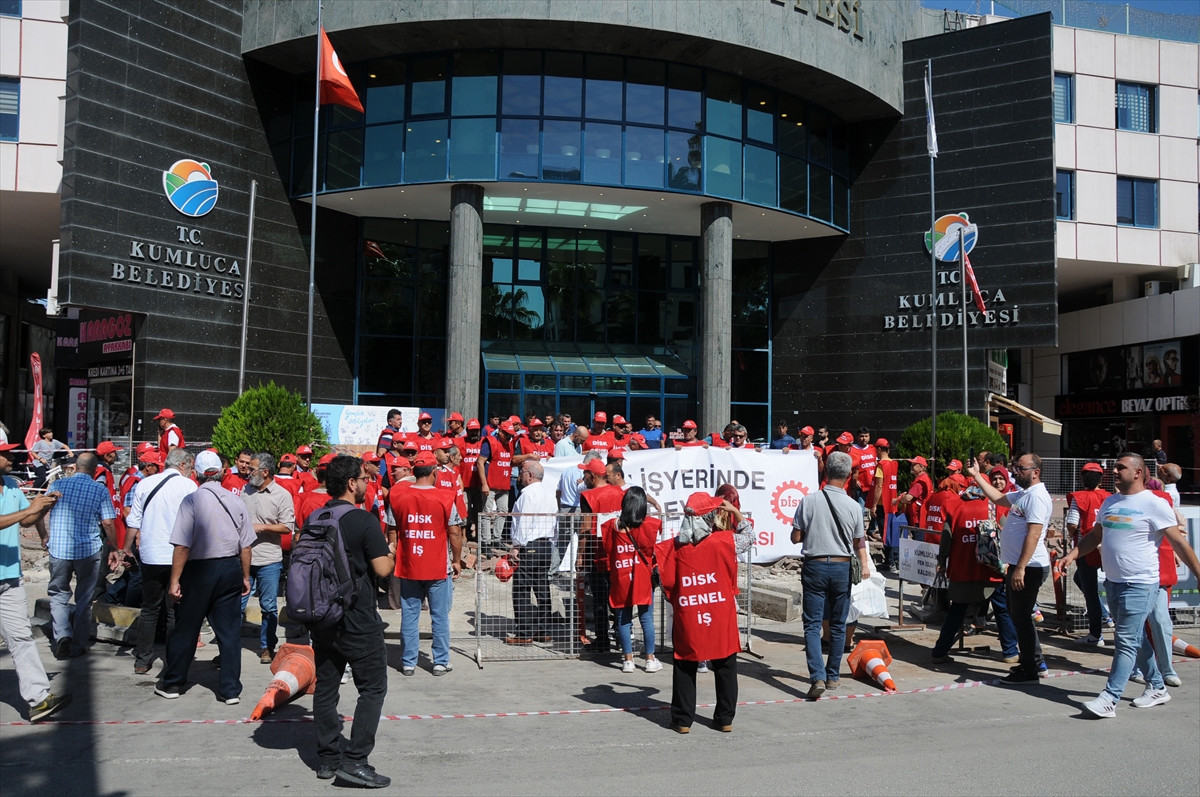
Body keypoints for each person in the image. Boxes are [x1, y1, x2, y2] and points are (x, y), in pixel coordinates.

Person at [1058, 454, 1200, 717]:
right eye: (1114, 467)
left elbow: (1179, 543)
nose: (1114, 471)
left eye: (1120, 467)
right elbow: (1095, 536)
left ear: (1138, 472)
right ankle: (1157, 686)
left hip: (1141, 584)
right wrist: (1072, 555)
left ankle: (1109, 698)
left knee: (1124, 640)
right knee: (1136, 638)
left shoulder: (1154, 504)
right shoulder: (1111, 502)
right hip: (1113, 583)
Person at [309, 455, 395, 788]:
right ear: (351, 483)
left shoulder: (317, 516)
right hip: (358, 618)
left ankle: (328, 760)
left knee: (327, 688)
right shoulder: (362, 520)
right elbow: (384, 570)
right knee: (373, 688)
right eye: (364, 478)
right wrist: (392, 549)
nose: (367, 482)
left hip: (323, 618)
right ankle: (356, 760)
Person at [157, 450, 255, 704]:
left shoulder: (191, 501)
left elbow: (182, 546)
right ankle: (230, 689)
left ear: (195, 474)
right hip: (229, 568)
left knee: (186, 629)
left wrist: (175, 580)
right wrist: (245, 576)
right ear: (222, 473)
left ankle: (173, 683)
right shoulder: (236, 501)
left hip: (199, 571)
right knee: (230, 632)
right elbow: (246, 547)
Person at [657, 491, 752, 733]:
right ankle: (724, 719)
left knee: (685, 664)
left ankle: (682, 720)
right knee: (726, 664)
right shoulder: (725, 541)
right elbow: (749, 537)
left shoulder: (671, 548)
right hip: (720, 613)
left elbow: (664, 581)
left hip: (690, 614)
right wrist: (735, 512)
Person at [790, 451, 873, 698]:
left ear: (826, 471)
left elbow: (795, 537)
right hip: (841, 567)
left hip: (814, 565)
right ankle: (833, 676)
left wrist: (812, 533)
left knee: (812, 624)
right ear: (848, 476)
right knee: (839, 624)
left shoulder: (809, 501)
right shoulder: (853, 506)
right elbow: (859, 541)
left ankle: (817, 676)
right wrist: (865, 565)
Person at [0, 441, 72, 721]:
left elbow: (26, 522)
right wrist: (30, 509)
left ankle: (39, 700)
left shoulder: (11, 484)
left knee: (21, 637)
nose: (11, 456)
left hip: (10, 578)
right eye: (5, 452)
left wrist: (42, 508)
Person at [967, 453, 1052, 685]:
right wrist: (977, 476)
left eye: (1020, 468)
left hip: (1029, 566)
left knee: (1021, 618)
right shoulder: (1024, 494)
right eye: (1015, 467)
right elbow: (998, 499)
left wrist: (1020, 568)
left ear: (1035, 472)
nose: (1015, 471)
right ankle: (1035, 663)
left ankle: (1030, 668)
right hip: (1020, 565)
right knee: (1020, 617)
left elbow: (1034, 535)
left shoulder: (1037, 497)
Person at [121, 448, 198, 675]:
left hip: (151, 555)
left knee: (149, 609)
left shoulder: (145, 483)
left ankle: (142, 660)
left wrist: (126, 548)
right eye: (191, 467)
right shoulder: (189, 486)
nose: (192, 471)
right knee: (174, 610)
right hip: (178, 557)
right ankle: (172, 659)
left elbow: (133, 520)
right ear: (183, 465)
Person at [930, 481, 1018, 664]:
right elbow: (1007, 534)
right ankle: (1010, 652)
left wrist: (942, 561)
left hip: (963, 567)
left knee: (957, 611)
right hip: (992, 568)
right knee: (1002, 610)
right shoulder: (995, 506)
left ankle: (940, 652)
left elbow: (946, 538)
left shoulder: (955, 506)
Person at [393, 451, 464, 676]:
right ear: (434, 472)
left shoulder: (399, 496)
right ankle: (440, 661)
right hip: (437, 567)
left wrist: (395, 550)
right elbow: (454, 532)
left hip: (409, 565)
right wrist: (456, 560)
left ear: (413, 472)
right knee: (440, 615)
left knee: (410, 615)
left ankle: (408, 662)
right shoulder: (445, 497)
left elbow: (391, 530)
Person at [44, 451, 118, 659]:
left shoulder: (58, 485)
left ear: (75, 467)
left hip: (59, 549)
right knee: (85, 599)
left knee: (58, 594)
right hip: (88, 551)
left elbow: (39, 510)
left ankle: (63, 636)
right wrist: (114, 546)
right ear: (95, 471)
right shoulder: (99, 489)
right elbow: (107, 522)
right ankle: (77, 646)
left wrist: (44, 534)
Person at [239, 453, 295, 664]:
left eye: (252, 469)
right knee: (236, 605)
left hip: (269, 560)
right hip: (244, 558)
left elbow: (287, 526)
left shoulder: (281, 495)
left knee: (269, 606)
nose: (248, 471)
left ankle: (267, 647)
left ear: (265, 472)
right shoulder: (246, 491)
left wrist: (261, 527)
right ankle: (230, 647)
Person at [601, 487, 661, 673]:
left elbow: (608, 549)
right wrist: (654, 503)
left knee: (623, 619)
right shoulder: (648, 525)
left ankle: (628, 660)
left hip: (621, 575)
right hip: (642, 575)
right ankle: (650, 659)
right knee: (646, 618)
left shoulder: (613, 525)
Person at [506, 461, 559, 645]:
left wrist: (516, 546)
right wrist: (551, 545)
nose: (519, 476)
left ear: (529, 475)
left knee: (521, 590)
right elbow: (554, 523)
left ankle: (524, 632)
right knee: (542, 588)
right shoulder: (549, 494)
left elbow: (524, 522)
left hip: (529, 546)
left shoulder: (527, 494)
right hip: (545, 545)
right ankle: (543, 631)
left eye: (521, 472)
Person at [578, 457, 624, 651]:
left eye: (585, 474)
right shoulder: (620, 492)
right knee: (618, 598)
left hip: (597, 553)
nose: (583, 477)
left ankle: (603, 640)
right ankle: (623, 639)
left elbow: (585, 529)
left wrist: (579, 556)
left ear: (593, 476)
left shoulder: (589, 496)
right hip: (619, 552)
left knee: (599, 599)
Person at [1065, 462, 1112, 646]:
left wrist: (1070, 535)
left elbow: (1072, 524)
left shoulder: (1079, 497)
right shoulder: (1109, 497)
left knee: (1090, 593)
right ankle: (1106, 617)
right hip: (1107, 547)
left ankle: (1095, 634)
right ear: (1101, 478)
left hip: (1086, 548)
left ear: (1082, 477)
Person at [872, 439, 900, 568]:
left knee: (885, 533)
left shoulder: (881, 465)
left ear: (878, 449)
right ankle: (894, 560)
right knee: (892, 532)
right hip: (892, 502)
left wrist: (873, 505)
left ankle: (890, 562)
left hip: (882, 504)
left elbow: (878, 487)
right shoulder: (894, 464)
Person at [895, 456, 933, 530]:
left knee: (918, 540)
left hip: (917, 518)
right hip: (920, 517)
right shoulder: (925, 479)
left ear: (921, 468)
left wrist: (900, 499)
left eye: (914, 465)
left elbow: (908, 498)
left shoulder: (920, 481)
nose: (911, 467)